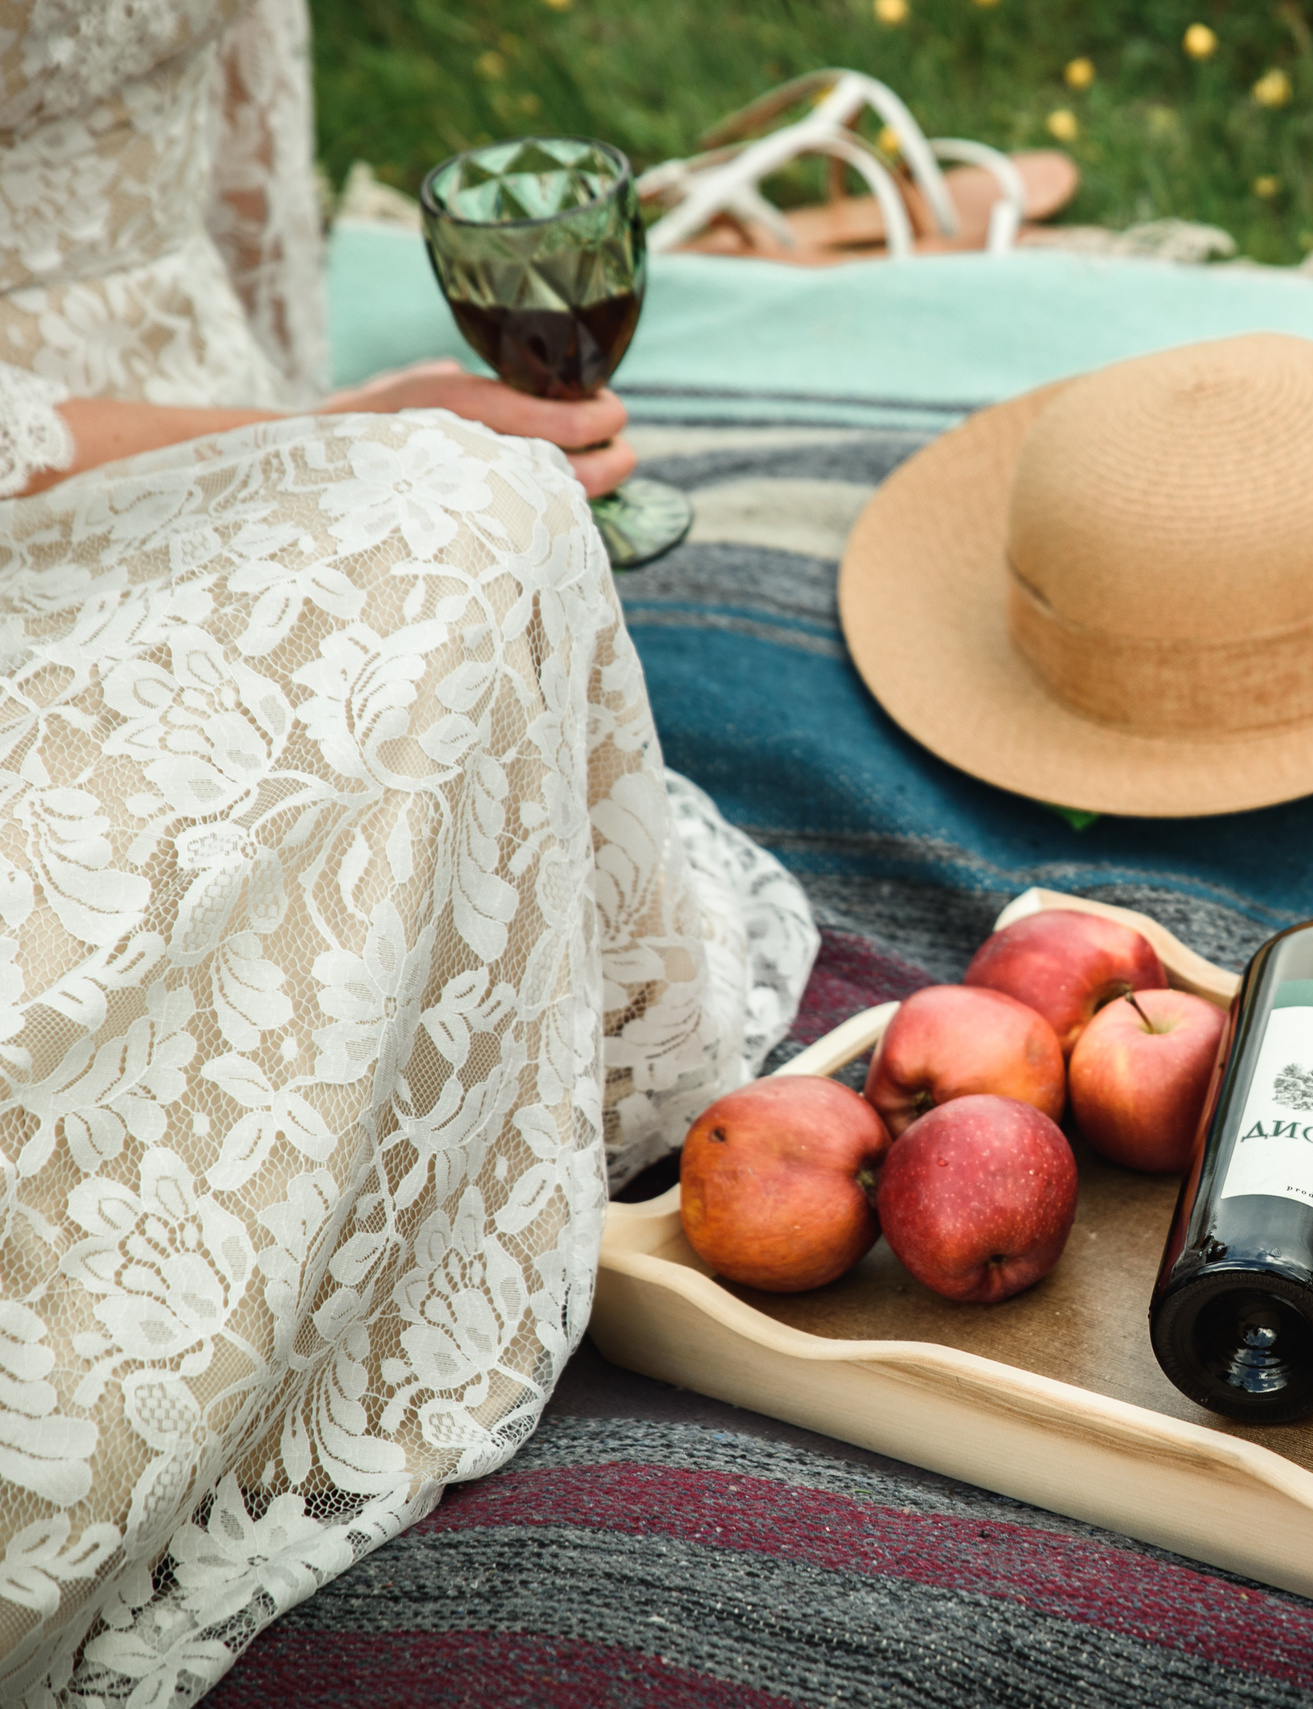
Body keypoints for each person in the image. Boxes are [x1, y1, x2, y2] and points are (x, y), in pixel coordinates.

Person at [0, 2, 817, 1702]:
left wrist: (305, 429)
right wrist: (349, 443)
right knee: (480, 513)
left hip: (209, 401)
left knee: (467, 538)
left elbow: (239, 116)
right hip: (38, 501)